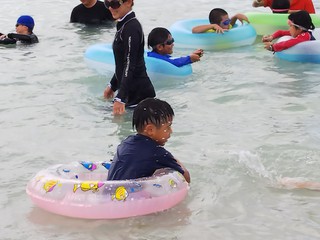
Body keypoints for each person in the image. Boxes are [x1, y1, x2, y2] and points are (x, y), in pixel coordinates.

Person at [107, 98, 191, 183]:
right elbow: (186, 177)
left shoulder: (126, 142)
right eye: (168, 127)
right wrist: (171, 157)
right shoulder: (157, 153)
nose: (171, 131)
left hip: (108, 192)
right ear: (150, 130)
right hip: (132, 195)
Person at [103, 0, 155, 115]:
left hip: (139, 96)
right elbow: (122, 63)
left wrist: (121, 97)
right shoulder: (123, 24)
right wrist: (112, 85)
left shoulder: (132, 27)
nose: (110, 8)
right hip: (130, 93)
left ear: (128, 2)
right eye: (107, 4)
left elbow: (130, 63)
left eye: (115, 4)